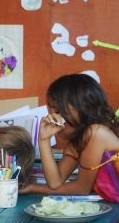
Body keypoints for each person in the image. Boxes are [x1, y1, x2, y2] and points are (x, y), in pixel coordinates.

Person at [19, 73, 119, 203]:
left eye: (60, 111)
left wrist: (33, 188)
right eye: (52, 111)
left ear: (83, 107)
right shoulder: (80, 138)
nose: (55, 117)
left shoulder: (96, 133)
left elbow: (82, 188)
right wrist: (43, 140)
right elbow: (55, 182)